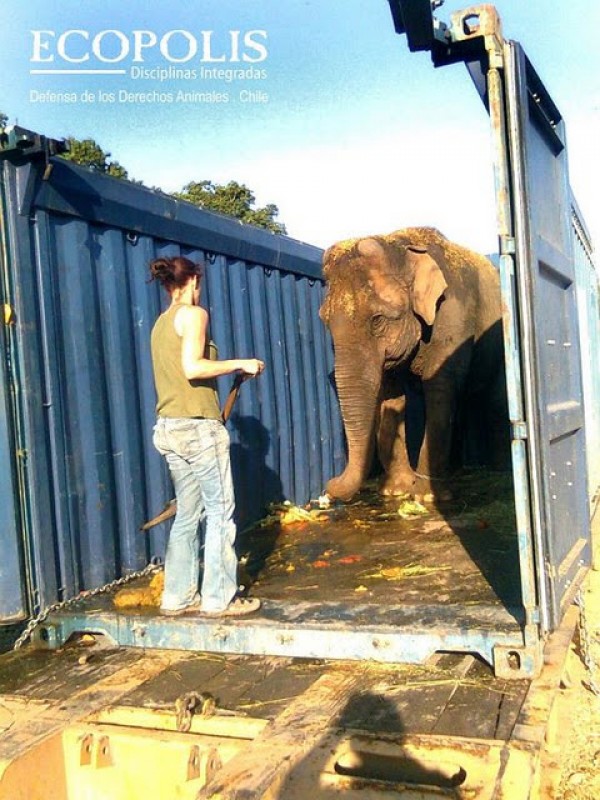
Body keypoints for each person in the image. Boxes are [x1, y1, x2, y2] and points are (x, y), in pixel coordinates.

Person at [149, 255, 264, 617]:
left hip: (169, 428)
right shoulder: (194, 315)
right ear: (193, 282)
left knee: (187, 513)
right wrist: (239, 363)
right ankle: (218, 599)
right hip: (198, 428)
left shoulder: (161, 324)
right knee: (220, 513)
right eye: (199, 283)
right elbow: (193, 367)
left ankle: (177, 597)